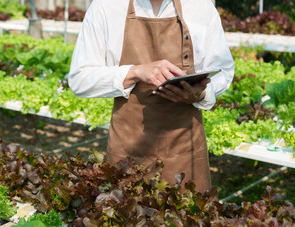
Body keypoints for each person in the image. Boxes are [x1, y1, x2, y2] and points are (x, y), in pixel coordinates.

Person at [67, 0, 234, 192]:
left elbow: (224, 70)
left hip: (185, 151)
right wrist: (135, 72)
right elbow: (80, 78)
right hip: (128, 150)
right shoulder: (106, 6)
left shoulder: (200, 6)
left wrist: (200, 93)